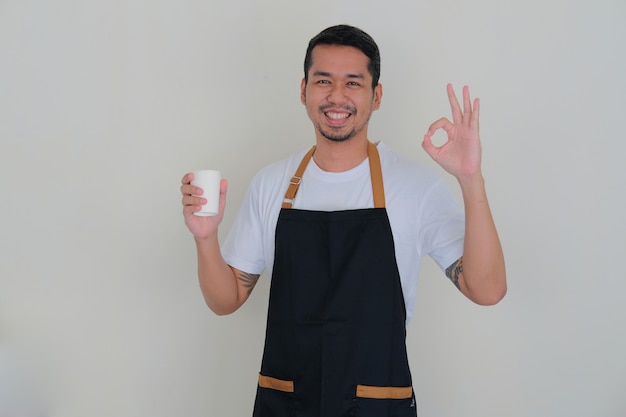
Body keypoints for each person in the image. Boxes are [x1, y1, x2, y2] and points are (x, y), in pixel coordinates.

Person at [181, 24, 506, 417]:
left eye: (353, 82)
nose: (337, 96)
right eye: (323, 81)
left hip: (377, 405)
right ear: (303, 91)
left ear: (377, 95)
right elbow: (225, 300)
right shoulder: (272, 184)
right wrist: (205, 238)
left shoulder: (415, 187)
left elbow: (487, 290)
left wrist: (471, 179)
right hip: (286, 404)